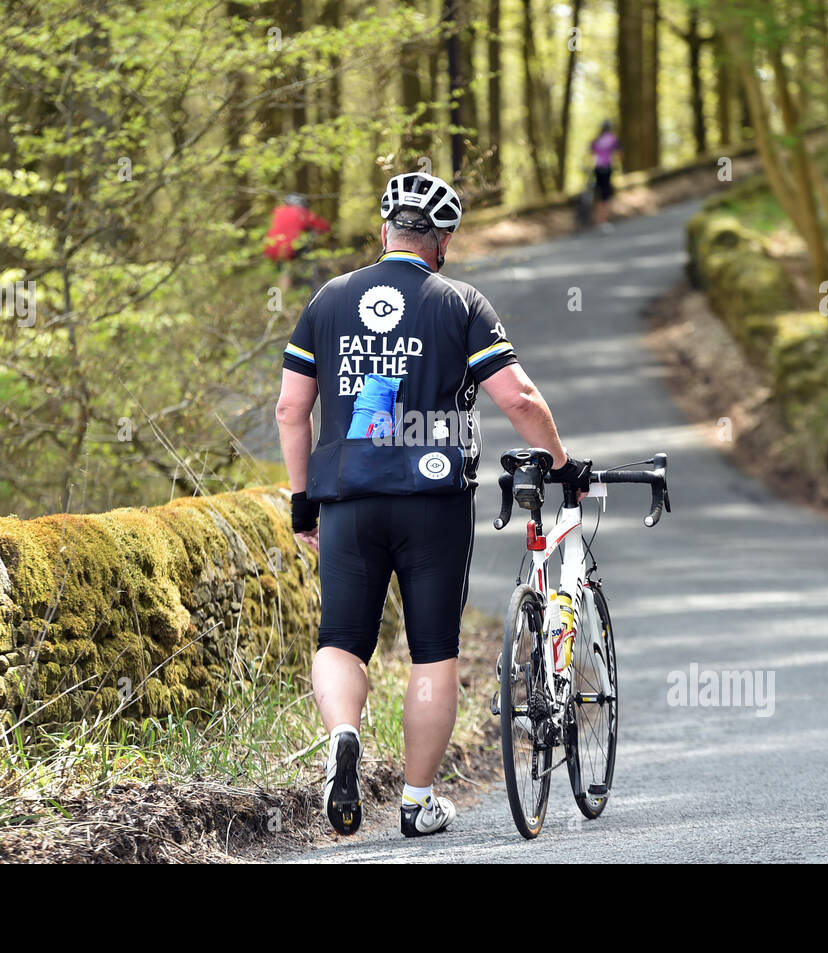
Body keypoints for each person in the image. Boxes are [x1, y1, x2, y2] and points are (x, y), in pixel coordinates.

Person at [274, 171, 591, 838]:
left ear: (383, 231)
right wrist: (562, 464)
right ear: (440, 239)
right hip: (433, 501)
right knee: (432, 652)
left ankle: (343, 735)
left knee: (341, 640)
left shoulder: (327, 300)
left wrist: (303, 499)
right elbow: (519, 398)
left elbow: (290, 408)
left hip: (349, 500)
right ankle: (417, 801)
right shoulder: (460, 302)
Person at [264, 193, 331, 291]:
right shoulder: (302, 212)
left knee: (284, 270)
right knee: (309, 262)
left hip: (272, 248)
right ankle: (315, 288)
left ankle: (283, 295)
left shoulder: (278, 211)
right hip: (291, 248)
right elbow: (324, 226)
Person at [589, 120, 621, 227]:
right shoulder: (612, 138)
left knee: (599, 193)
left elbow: (591, 152)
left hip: (597, 168)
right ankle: (604, 220)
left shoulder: (596, 140)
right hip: (607, 168)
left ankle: (598, 219)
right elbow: (619, 152)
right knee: (606, 194)